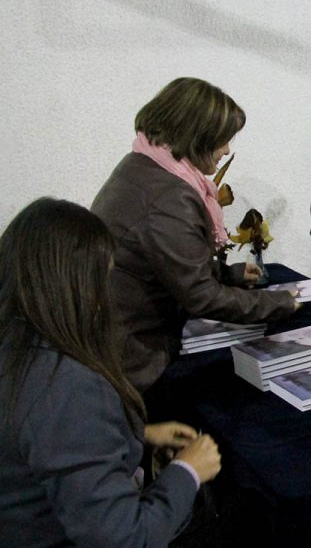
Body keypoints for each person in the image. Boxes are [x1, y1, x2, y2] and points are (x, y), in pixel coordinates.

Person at [0, 197, 222, 547]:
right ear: (74, 287)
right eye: (103, 278)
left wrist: (137, 433)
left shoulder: (15, 346)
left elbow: (35, 441)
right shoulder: (67, 384)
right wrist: (188, 472)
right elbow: (123, 538)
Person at [92, 78, 298, 397]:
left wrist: (227, 274)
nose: (227, 150)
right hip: (136, 357)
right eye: (222, 140)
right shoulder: (169, 197)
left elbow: (163, 263)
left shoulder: (141, 165)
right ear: (196, 136)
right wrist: (279, 302)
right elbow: (200, 296)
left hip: (115, 340)